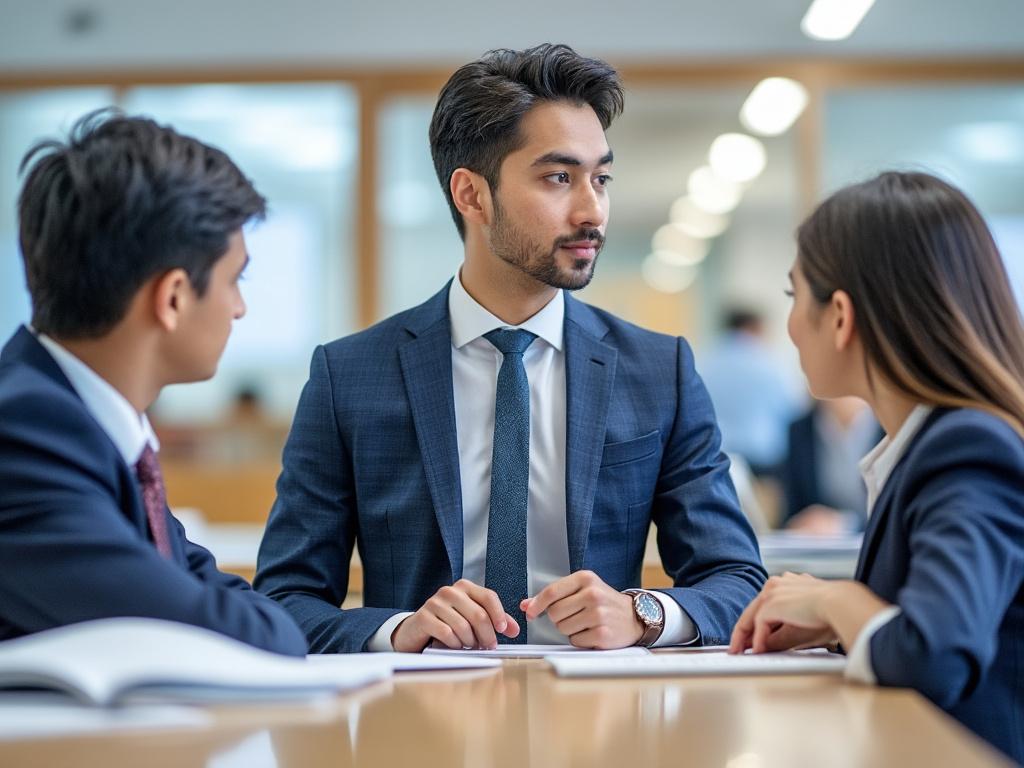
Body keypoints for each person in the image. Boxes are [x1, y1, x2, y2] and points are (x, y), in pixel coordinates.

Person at [256, 43, 766, 654]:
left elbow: (736, 579)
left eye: (600, 178)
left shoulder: (659, 370)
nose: (592, 210)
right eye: (559, 178)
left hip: (604, 719)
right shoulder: (349, 375)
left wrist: (647, 614)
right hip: (421, 717)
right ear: (472, 195)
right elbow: (285, 599)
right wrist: (398, 629)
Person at [729, 171, 1024, 763]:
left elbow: (934, 653)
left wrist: (833, 600)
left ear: (840, 316)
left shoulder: (967, 447)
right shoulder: (936, 441)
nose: (789, 326)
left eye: (794, 297)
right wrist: (841, 624)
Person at [0, 110, 306, 655]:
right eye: (235, 280)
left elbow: (213, 590)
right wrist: (275, 627)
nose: (239, 308)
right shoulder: (24, 433)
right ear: (172, 298)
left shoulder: (89, 425)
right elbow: (228, 634)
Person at [700, 309, 804, 476]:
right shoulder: (768, 362)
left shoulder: (706, 361)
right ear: (753, 327)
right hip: (764, 461)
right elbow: (792, 409)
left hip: (717, 458)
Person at [781, 397, 881, 534]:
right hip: (819, 544)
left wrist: (847, 524)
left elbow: (894, 511)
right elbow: (793, 507)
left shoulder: (885, 427)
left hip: (869, 538)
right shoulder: (801, 430)